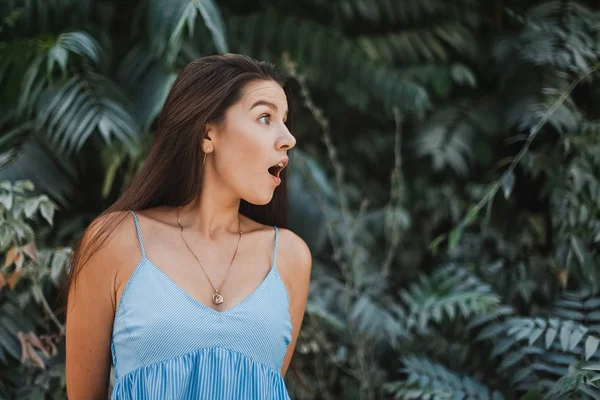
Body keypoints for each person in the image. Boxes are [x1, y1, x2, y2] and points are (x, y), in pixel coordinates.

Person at [64, 53, 312, 399]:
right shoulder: (115, 241)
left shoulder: (289, 257)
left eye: (286, 121)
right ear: (208, 134)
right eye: (266, 117)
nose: (288, 138)